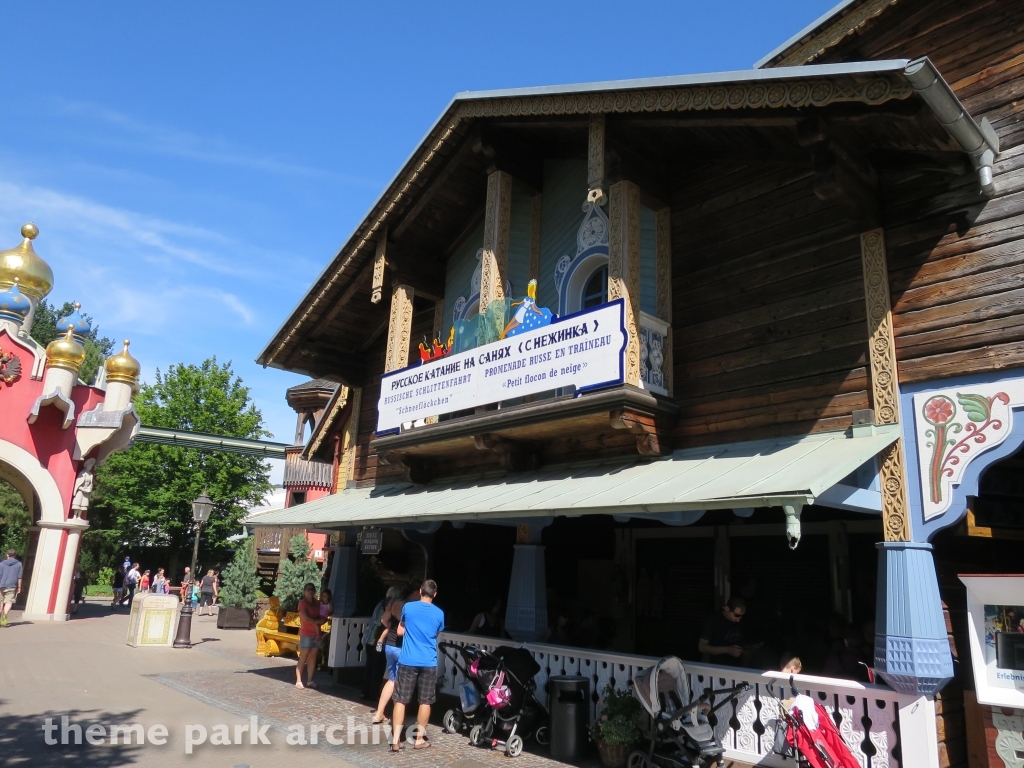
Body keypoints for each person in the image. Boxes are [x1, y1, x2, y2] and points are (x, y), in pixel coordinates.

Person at [390, 579, 444, 752]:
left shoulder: (409, 607)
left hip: (407, 659)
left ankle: (396, 740)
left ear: (420, 591)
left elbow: (401, 628)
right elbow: (436, 634)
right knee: (425, 701)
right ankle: (419, 739)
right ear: (434, 595)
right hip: (428, 661)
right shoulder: (439, 613)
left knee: (401, 699)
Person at [373, 583, 416, 724]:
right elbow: (404, 629)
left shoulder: (393, 602)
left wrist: (390, 627)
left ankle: (379, 712)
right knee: (399, 682)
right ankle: (397, 717)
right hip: (401, 646)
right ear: (414, 592)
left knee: (392, 680)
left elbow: (384, 620)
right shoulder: (410, 606)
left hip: (389, 645)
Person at [362, 586, 400, 700]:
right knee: (378, 668)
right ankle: (374, 694)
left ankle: (364, 692)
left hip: (369, 638)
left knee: (369, 666)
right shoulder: (392, 604)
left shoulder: (380, 602)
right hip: (379, 640)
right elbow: (386, 622)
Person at [698, 596, 746, 664]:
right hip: (717, 666)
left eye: (741, 616)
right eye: (736, 615)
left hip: (736, 666)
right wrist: (728, 650)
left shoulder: (740, 622)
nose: (738, 620)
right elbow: (702, 647)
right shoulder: (713, 621)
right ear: (727, 609)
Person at [295, 583, 321, 689]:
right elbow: (305, 618)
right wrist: (316, 622)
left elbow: (324, 614)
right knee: (303, 656)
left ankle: (310, 680)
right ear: (304, 591)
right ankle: (298, 680)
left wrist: (319, 621)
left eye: (312, 589)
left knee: (313, 657)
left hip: (316, 634)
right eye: (308, 589)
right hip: (306, 633)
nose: (310, 591)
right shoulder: (302, 603)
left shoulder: (317, 603)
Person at [0, 549, 23, 627]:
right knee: (9, 602)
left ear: (7, 555)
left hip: (1, 585)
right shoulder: (19, 564)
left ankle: (0, 613)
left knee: (1, 601)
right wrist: (19, 587)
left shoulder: (2, 564)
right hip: (12, 586)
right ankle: (5, 614)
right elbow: (19, 577)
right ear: (15, 555)